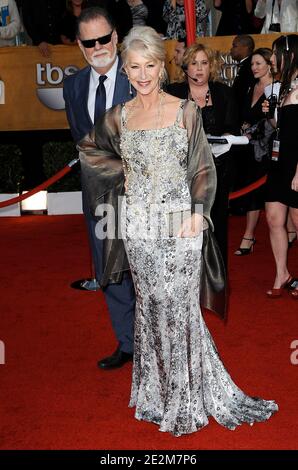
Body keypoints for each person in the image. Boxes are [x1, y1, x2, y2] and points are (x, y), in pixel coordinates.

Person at [78, 25, 278, 436]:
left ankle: (187, 397)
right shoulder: (120, 116)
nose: (143, 74)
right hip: (138, 227)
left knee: (180, 308)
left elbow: (203, 168)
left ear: (160, 64)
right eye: (134, 67)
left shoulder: (184, 110)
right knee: (150, 309)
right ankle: (156, 394)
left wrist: (198, 213)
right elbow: (89, 149)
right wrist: (121, 173)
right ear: (126, 70)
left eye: (150, 65)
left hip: (180, 225)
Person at [63, 7, 135, 368]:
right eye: (89, 42)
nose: (97, 47)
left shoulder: (138, 75)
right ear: (79, 45)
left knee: (146, 270)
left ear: (116, 37)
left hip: (141, 194)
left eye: (103, 39)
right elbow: (81, 140)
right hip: (98, 196)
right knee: (111, 271)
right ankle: (128, 343)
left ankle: (157, 343)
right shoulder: (73, 86)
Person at [167, 43, 239, 267]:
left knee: (216, 224)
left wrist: (222, 139)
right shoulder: (172, 93)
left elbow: (231, 128)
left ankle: (216, 276)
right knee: (184, 224)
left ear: (212, 66)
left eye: (204, 63)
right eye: (194, 63)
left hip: (216, 169)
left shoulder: (224, 93)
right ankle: (185, 274)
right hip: (181, 172)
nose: (199, 68)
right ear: (185, 66)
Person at [264, 34, 298, 298]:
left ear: (290, 55)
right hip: (278, 161)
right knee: (274, 217)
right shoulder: (285, 87)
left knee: (297, 221)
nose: (272, 60)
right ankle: (282, 273)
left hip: (296, 164)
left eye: (276, 54)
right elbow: (283, 129)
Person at [234, 48, 274, 256]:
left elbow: (274, 122)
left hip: (268, 150)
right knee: (251, 190)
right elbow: (245, 113)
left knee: (263, 193)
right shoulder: (251, 86)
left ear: (269, 64)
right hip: (248, 149)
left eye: (258, 63)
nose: (254, 67)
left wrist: (253, 132)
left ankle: (248, 236)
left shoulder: (276, 89)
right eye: (252, 64)